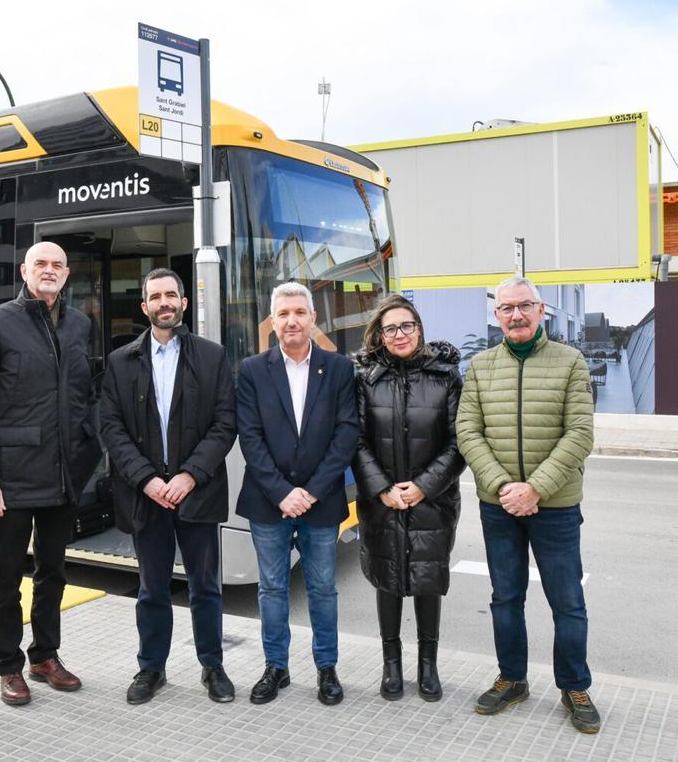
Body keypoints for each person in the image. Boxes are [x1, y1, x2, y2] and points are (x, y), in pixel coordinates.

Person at [456, 275, 600, 734]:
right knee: (505, 598)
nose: (515, 315)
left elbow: (579, 434)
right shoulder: (479, 367)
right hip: (498, 507)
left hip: (554, 505)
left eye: (524, 306)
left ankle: (574, 685)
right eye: (506, 308)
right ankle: (512, 679)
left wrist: (535, 488)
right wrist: (503, 486)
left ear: (542, 311)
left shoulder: (570, 362)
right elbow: (468, 432)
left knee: (568, 602)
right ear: (496, 316)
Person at [0, 241, 100, 706]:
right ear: (24, 270)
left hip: (63, 477)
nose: (49, 270)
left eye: (58, 264)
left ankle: (45, 656)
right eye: (40, 263)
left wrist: (87, 455)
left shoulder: (80, 325)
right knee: (5, 578)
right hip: (11, 478)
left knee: (53, 573)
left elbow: (85, 396)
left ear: (67, 274)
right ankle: (8, 666)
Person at [99, 268, 237, 705]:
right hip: (147, 496)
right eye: (155, 296)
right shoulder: (120, 361)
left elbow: (224, 423)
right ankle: (151, 669)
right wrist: (147, 480)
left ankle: (212, 666)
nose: (164, 302)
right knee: (152, 588)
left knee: (205, 586)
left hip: (197, 490)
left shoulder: (212, 357)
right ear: (144, 307)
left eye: (171, 295)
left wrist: (188, 475)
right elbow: (110, 427)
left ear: (183, 303)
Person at [235, 282, 359, 706]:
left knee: (323, 588)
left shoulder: (339, 369)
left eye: (299, 313)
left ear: (312, 318)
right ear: (273, 320)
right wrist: (282, 492)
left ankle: (327, 668)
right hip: (268, 501)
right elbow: (249, 438)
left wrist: (311, 491)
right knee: (271, 588)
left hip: (321, 501)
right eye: (283, 313)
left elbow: (346, 435)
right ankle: (276, 667)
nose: (291, 321)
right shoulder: (252, 369)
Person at [352, 295, 465, 702]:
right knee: (387, 579)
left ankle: (428, 665)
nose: (400, 335)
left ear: (419, 329)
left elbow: (459, 443)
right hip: (382, 502)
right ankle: (391, 665)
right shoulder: (366, 378)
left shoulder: (446, 376)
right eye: (391, 328)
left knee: (427, 579)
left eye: (407, 326)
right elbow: (357, 440)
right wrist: (382, 488)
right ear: (379, 336)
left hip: (432, 500)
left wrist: (423, 487)